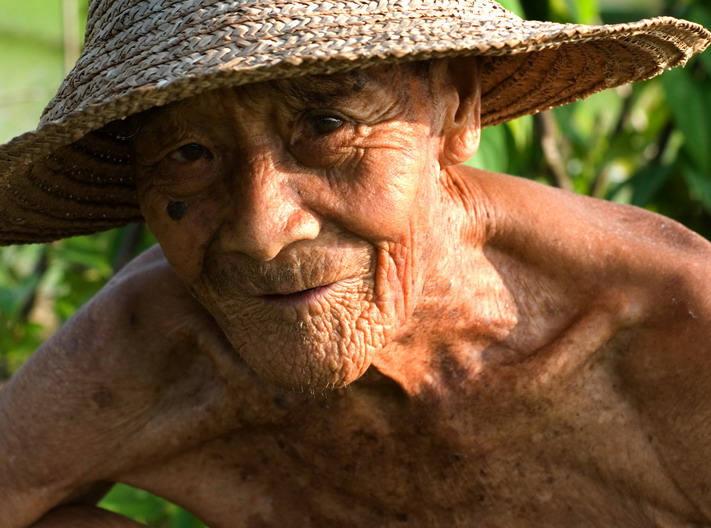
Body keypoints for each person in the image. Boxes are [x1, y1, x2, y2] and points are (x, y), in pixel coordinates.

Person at [1, 0, 710, 526]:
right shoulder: (160, 336)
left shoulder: (677, 329)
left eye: (326, 126)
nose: (262, 232)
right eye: (188, 155)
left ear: (455, 108)